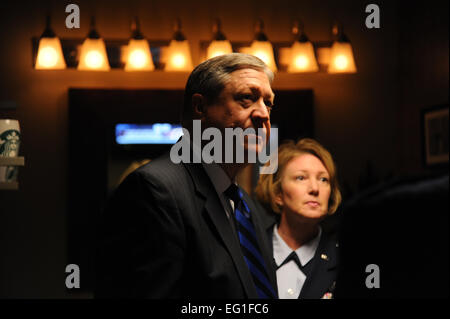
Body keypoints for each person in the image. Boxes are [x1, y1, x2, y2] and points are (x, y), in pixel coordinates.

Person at [95, 53, 278, 298]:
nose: (263, 114)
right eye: (247, 98)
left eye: (268, 103)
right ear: (200, 108)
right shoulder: (155, 190)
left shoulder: (245, 205)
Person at [255, 138, 342, 299]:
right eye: (301, 178)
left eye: (323, 179)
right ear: (278, 193)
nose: (315, 189)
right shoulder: (249, 250)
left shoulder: (342, 258)